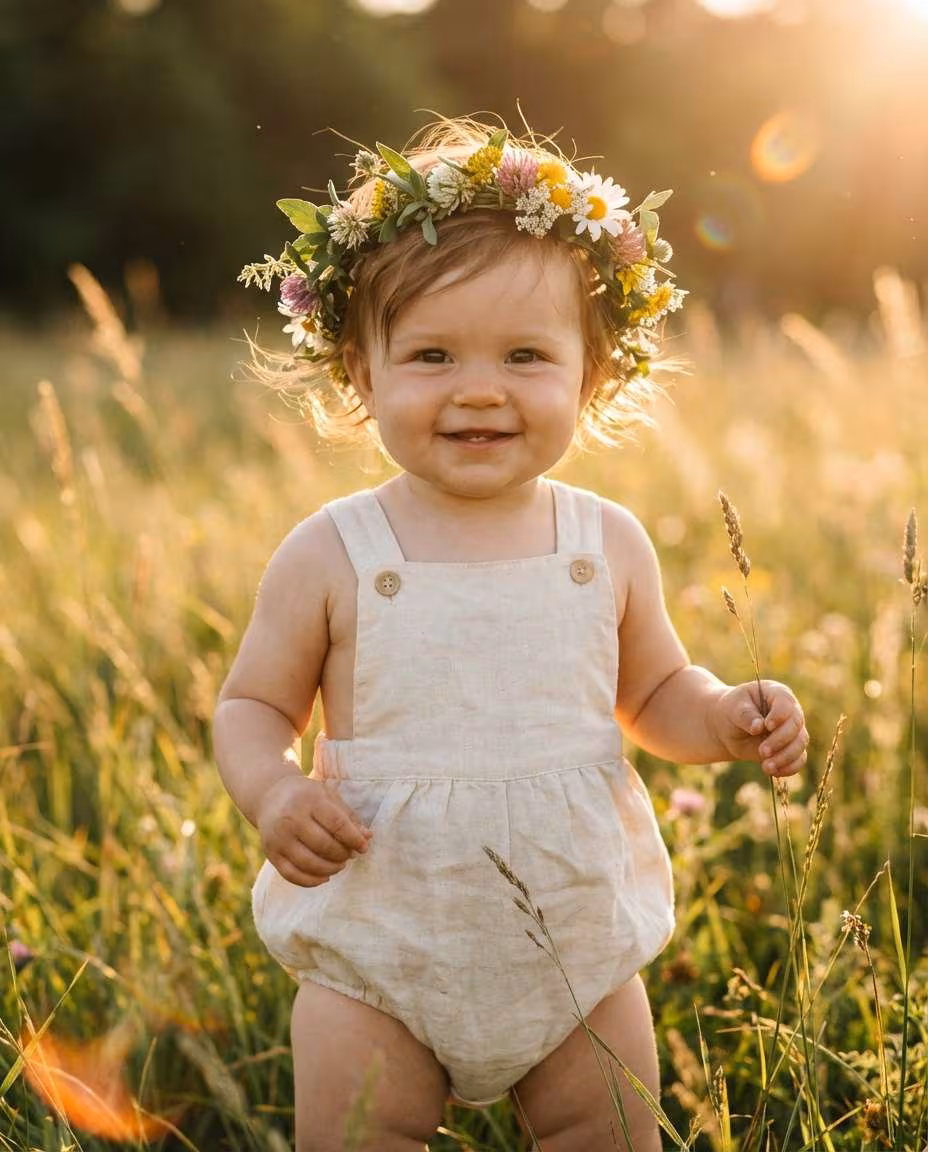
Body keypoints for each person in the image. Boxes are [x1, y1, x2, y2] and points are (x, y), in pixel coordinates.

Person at [214, 116, 808, 1152]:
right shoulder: (336, 552)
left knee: (611, 1133)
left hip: (574, 946)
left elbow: (654, 692)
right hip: (380, 941)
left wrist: (721, 716)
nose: (479, 388)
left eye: (525, 355)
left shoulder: (603, 542)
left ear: (591, 373)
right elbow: (252, 704)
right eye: (432, 354)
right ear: (362, 370)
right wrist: (272, 790)